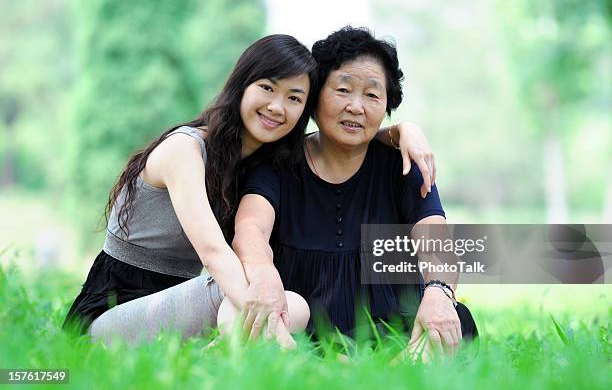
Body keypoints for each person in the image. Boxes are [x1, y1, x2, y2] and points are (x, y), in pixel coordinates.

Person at [62, 33, 437, 347]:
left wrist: (403, 130)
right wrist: (269, 306)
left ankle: (228, 357)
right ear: (242, 85)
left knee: (297, 307)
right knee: (239, 293)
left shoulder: (260, 163)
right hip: (110, 317)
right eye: (267, 88)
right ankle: (293, 365)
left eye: (293, 98)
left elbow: (347, 135)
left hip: (186, 304)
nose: (277, 107)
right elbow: (214, 254)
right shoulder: (185, 150)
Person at [231, 27, 478, 360]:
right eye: (343, 89)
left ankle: (395, 373)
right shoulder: (276, 165)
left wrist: (439, 292)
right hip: (303, 337)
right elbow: (250, 229)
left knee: (455, 323)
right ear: (314, 98)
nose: (356, 107)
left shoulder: (404, 166)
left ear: (388, 106)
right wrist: (261, 275)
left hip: (399, 337)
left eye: (372, 95)